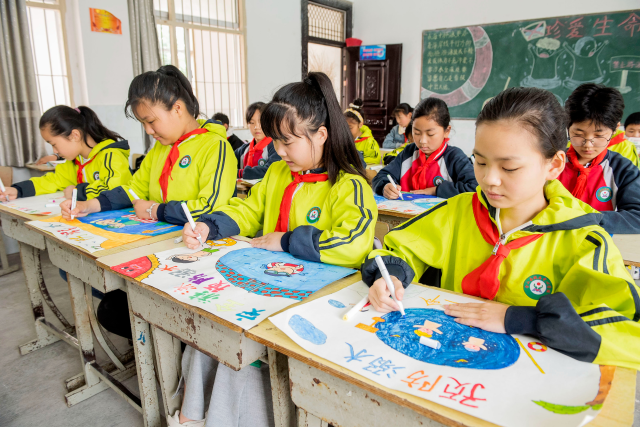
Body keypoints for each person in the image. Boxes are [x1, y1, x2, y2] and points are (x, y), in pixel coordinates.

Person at [363, 87, 640, 371]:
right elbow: (399, 248)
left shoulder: (583, 237)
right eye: (481, 162)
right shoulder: (460, 211)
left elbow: (628, 333)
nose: (489, 179)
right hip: (448, 364)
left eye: (509, 168)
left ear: (554, 165)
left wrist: (521, 319)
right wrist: (391, 275)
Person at [172, 72, 377, 427]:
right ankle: (196, 414)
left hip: (316, 303)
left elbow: (352, 243)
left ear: (321, 135)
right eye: (275, 141)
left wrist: (285, 240)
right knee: (209, 329)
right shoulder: (279, 174)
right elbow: (249, 209)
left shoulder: (349, 186)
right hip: (268, 291)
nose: (279, 151)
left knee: (238, 351)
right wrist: (208, 225)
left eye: (287, 142)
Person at [558, 83, 640, 234]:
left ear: (615, 129)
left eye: (599, 136)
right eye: (578, 134)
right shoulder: (550, 161)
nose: (588, 145)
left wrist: (586, 219)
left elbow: (637, 217)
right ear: (567, 127)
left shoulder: (622, 169)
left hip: (596, 243)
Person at [3, 106, 132, 201]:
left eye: (54, 144)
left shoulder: (111, 155)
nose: (55, 151)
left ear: (75, 135)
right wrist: (18, 190)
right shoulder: (75, 161)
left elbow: (116, 189)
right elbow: (53, 181)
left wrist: (77, 192)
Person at [372, 97, 477, 199]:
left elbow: (474, 187)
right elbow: (381, 176)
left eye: (430, 134)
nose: (422, 141)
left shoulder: (454, 157)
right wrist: (385, 186)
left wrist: (436, 191)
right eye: (416, 133)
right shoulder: (409, 152)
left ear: (447, 131)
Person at [234, 102, 281, 179]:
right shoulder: (243, 150)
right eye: (252, 122)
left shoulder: (276, 147)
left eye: (261, 122)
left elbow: (269, 171)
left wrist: (240, 173)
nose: (256, 127)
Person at [344, 98, 381, 164]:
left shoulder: (369, 142)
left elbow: (375, 159)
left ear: (360, 124)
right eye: (344, 127)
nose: (346, 130)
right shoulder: (342, 140)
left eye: (350, 127)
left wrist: (353, 161)